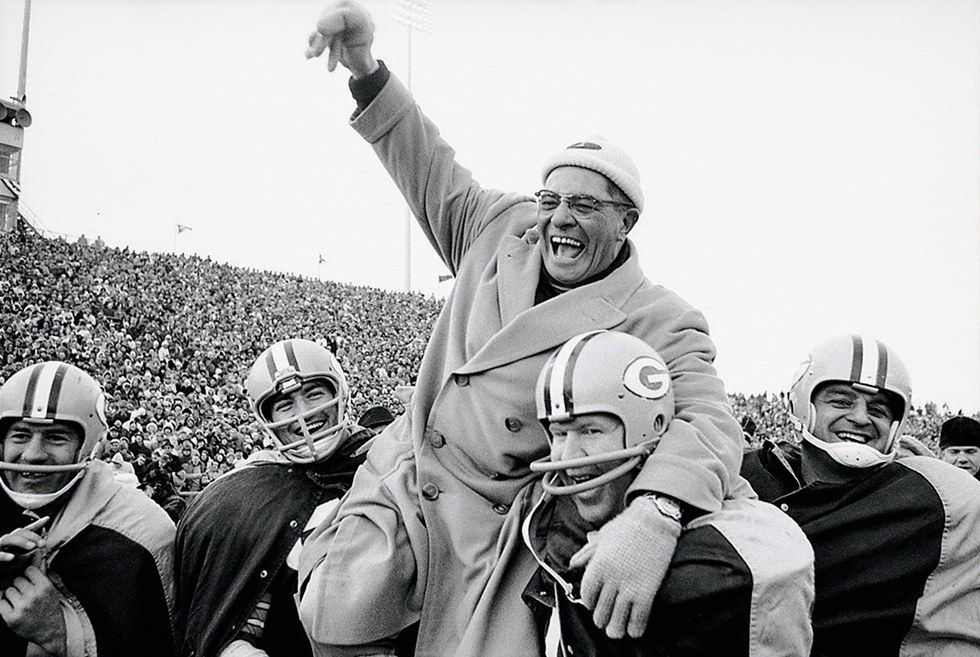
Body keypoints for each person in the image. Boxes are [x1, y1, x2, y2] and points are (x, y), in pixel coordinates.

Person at [299, 4, 749, 656]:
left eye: (584, 205)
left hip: (502, 518)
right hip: (410, 472)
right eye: (551, 200)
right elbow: (425, 163)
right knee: (336, 617)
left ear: (626, 222)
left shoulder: (659, 317)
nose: (559, 220)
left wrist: (656, 511)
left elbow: (709, 420)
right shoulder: (498, 228)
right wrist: (366, 69)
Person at [524, 330, 814, 656]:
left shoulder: (732, 549)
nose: (568, 455)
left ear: (652, 426)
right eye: (559, 433)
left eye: (591, 430)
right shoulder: (556, 522)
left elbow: (772, 562)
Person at [741, 335, 980, 656]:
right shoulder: (739, 474)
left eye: (878, 409)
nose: (860, 417)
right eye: (841, 402)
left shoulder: (935, 495)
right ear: (801, 404)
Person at [173, 339, 392, 657]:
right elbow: (239, 618)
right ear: (267, 418)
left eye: (314, 394)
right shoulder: (247, 495)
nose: (304, 413)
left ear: (339, 393)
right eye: (285, 404)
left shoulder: (389, 463)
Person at [0, 361, 176, 657]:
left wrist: (61, 634)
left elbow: (164, 643)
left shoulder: (142, 532)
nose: (32, 455)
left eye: (56, 437)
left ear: (89, 447)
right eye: (20, 435)